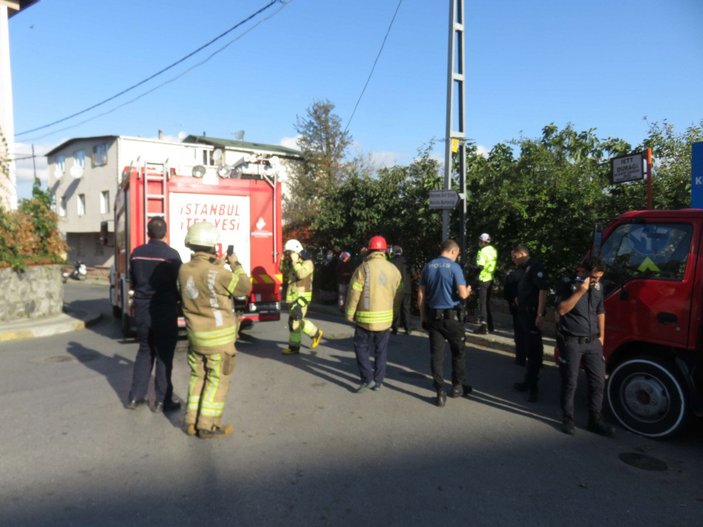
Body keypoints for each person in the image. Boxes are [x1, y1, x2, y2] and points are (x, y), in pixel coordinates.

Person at [178, 221, 251, 439]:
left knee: (197, 377)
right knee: (217, 381)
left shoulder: (183, 270)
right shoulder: (219, 273)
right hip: (218, 341)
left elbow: (203, 277)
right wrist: (235, 264)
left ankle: (191, 421)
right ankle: (207, 425)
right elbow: (244, 287)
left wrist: (217, 264)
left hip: (195, 338)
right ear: (212, 244)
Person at [126, 216, 182, 413]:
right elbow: (179, 283)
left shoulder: (137, 254)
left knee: (144, 351)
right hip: (164, 310)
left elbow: (131, 280)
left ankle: (135, 397)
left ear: (148, 233)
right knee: (163, 355)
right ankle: (161, 401)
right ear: (165, 234)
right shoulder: (172, 256)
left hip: (142, 309)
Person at [555, 257, 614, 437]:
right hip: (572, 341)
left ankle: (594, 420)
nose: (597, 281)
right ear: (582, 271)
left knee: (598, 382)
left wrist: (602, 337)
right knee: (570, 381)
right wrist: (581, 291)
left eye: (599, 278)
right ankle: (568, 418)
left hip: (593, 342)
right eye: (594, 278)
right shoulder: (567, 284)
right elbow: (562, 310)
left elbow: (600, 311)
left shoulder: (598, 287)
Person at [418, 239, 472, 407]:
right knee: (458, 352)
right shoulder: (455, 267)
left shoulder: (428, 266)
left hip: (434, 318)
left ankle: (440, 391)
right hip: (452, 318)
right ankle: (457, 386)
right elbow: (462, 295)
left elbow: (420, 294)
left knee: (437, 356)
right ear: (453, 251)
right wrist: (469, 290)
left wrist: (422, 316)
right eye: (457, 254)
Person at [345, 236, 402, 392]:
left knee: (360, 347)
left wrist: (350, 313)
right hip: (385, 319)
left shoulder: (363, 268)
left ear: (369, 250)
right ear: (384, 250)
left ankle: (367, 378)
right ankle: (378, 381)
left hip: (365, 318)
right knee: (381, 350)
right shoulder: (393, 269)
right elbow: (398, 291)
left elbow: (354, 292)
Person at [511, 243, 549, 402]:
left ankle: (533, 387)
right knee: (527, 348)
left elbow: (543, 290)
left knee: (534, 352)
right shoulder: (525, 269)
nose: (513, 260)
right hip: (524, 314)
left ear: (521, 254)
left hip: (532, 315)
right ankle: (528, 381)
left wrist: (540, 314)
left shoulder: (535, 267)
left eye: (514, 257)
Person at [281, 239, 323, 355]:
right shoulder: (295, 263)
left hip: (302, 298)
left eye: (290, 253)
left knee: (295, 321)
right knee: (294, 321)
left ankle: (298, 345)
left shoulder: (307, 263)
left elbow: (301, 274)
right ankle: (310, 336)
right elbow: (285, 274)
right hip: (293, 297)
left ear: (296, 251)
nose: (289, 255)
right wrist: (283, 260)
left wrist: (295, 263)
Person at [503, 250, 526, 365]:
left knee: (520, 333)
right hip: (530, 309)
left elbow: (506, 292)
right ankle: (535, 359)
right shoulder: (530, 271)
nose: (513, 259)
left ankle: (521, 358)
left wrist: (512, 300)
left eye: (514, 257)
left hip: (518, 308)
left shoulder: (513, 275)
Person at [473, 233, 497, 334]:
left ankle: (483, 326)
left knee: (482, 303)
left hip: (483, 279)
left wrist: (468, 266)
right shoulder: (493, 250)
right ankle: (490, 325)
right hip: (490, 278)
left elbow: (480, 267)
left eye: (480, 241)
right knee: (486, 303)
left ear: (483, 241)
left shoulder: (482, 251)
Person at [391, 245, 415, 335]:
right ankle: (407, 328)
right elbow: (413, 274)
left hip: (396, 288)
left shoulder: (391, 262)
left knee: (396, 308)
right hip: (407, 288)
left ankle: (395, 328)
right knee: (406, 308)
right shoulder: (407, 262)